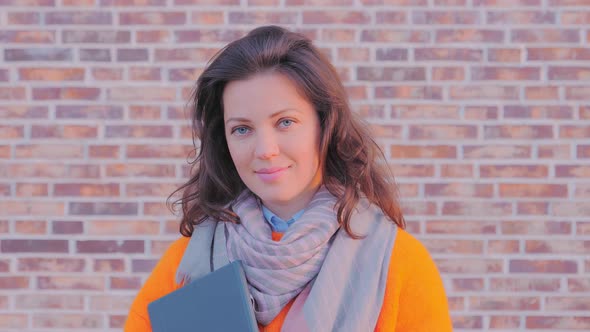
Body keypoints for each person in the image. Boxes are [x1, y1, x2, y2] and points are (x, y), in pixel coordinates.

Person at [124, 25, 452, 332]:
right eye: (242, 129)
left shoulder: (398, 265)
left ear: (325, 124)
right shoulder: (185, 266)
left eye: (285, 122)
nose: (265, 149)